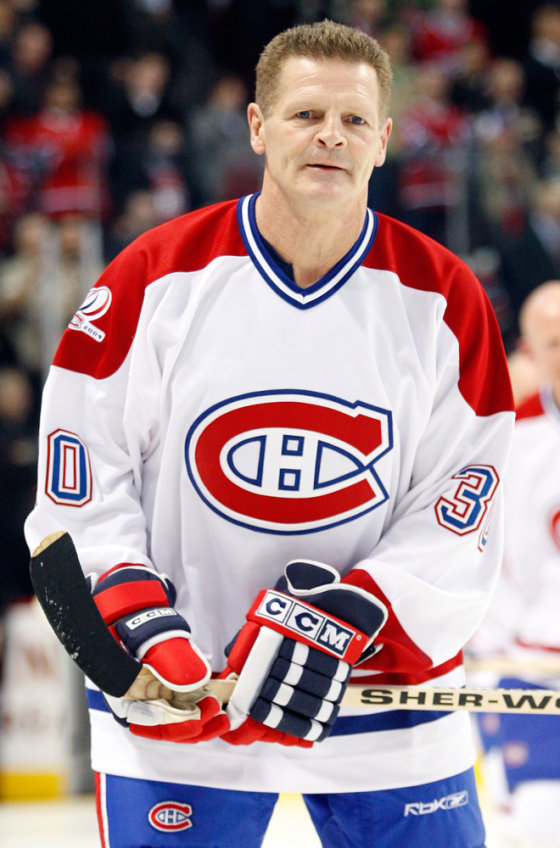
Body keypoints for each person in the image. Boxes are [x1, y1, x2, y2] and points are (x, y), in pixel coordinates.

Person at [24, 20, 514, 848]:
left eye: (355, 120)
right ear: (257, 126)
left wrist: (350, 618)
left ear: (386, 141)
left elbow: (461, 503)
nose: (331, 135)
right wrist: (142, 622)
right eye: (305, 114)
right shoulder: (156, 276)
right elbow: (80, 478)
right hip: (180, 696)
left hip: (379, 707)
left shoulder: (444, 298)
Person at [468, 280, 560, 847]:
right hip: (534, 675)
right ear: (529, 352)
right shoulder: (509, 441)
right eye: (554, 342)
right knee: (536, 824)